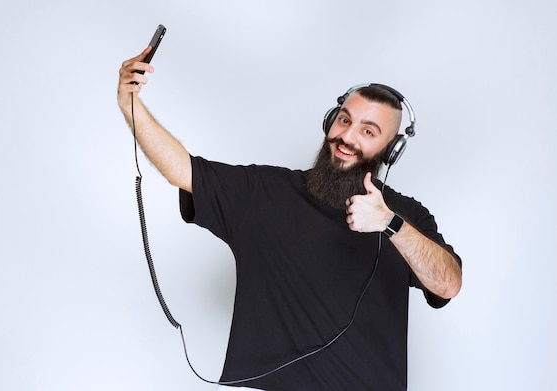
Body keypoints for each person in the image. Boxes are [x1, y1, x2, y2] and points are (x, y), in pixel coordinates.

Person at [117, 46, 462, 391]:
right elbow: (181, 169)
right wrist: (129, 104)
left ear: (391, 151)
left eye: (368, 132)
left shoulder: (406, 216)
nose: (347, 137)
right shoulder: (265, 191)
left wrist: (391, 223)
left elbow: (448, 284)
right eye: (344, 120)